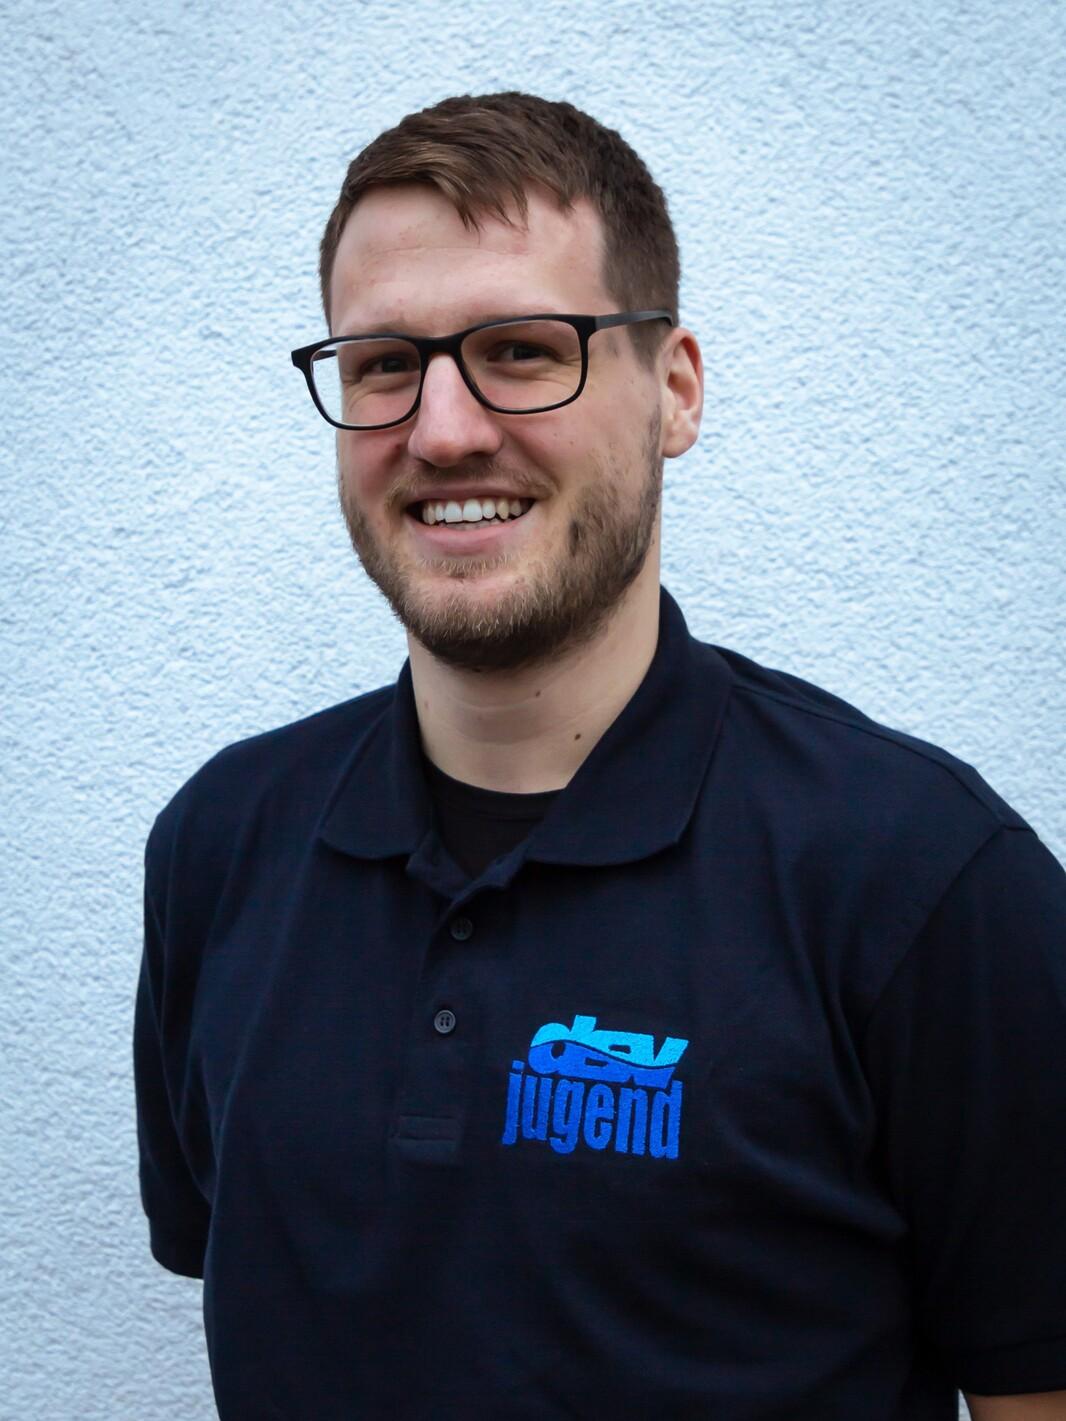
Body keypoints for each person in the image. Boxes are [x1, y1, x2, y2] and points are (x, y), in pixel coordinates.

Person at [135, 93, 1066, 1420]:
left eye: (521, 350)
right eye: (384, 364)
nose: (442, 430)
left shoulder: (921, 878)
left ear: (673, 390)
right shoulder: (221, 844)